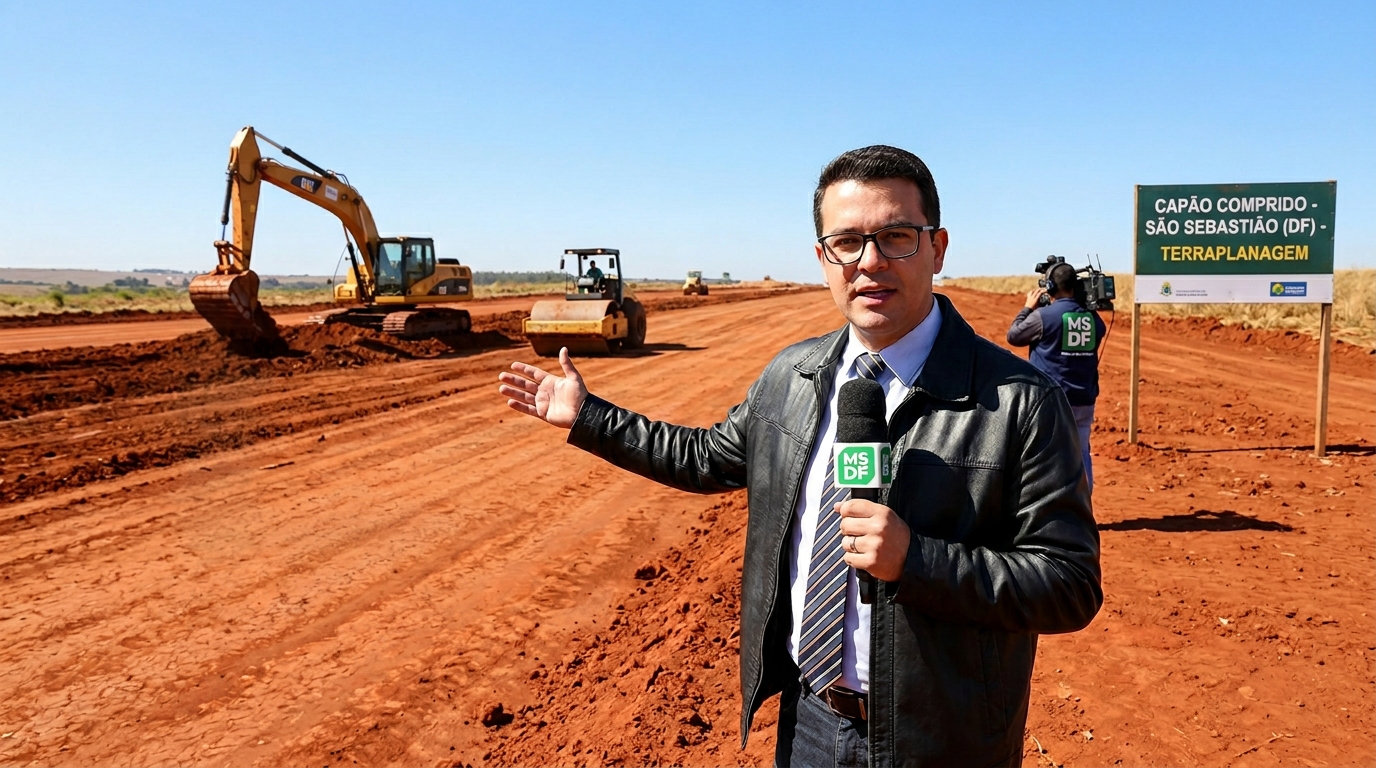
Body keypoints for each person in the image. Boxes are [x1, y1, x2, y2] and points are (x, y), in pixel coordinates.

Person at [498, 145, 1101, 767]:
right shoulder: (792, 376)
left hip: (943, 736)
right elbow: (705, 457)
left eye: (896, 236)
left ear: (937, 248)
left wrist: (917, 560)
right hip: (810, 724)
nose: (869, 262)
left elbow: (1069, 585)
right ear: (823, 258)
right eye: (847, 242)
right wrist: (589, 417)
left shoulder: (1020, 403)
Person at [1006, 264, 1107, 491]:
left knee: (1046, 456)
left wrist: (1027, 309)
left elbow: (1014, 336)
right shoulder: (1092, 318)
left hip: (1053, 400)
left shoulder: (1044, 316)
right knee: (1081, 453)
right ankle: (1084, 509)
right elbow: (1098, 332)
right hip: (1084, 398)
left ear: (1049, 286)